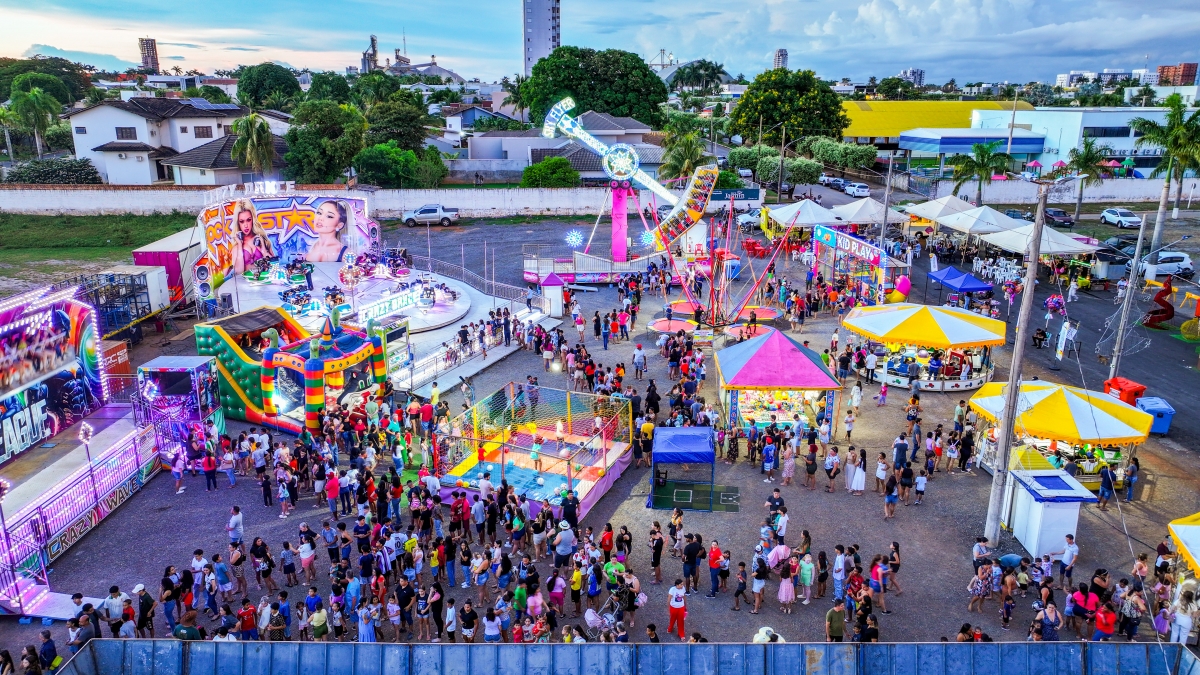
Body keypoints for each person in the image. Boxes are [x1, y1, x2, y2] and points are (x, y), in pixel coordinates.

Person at [230, 199, 274, 274]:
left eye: (248, 220)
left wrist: (263, 251)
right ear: (238, 223)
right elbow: (238, 272)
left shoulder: (262, 240)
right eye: (242, 221)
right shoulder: (236, 247)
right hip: (246, 281)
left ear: (253, 219)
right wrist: (240, 245)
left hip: (264, 280)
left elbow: (274, 266)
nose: (246, 225)